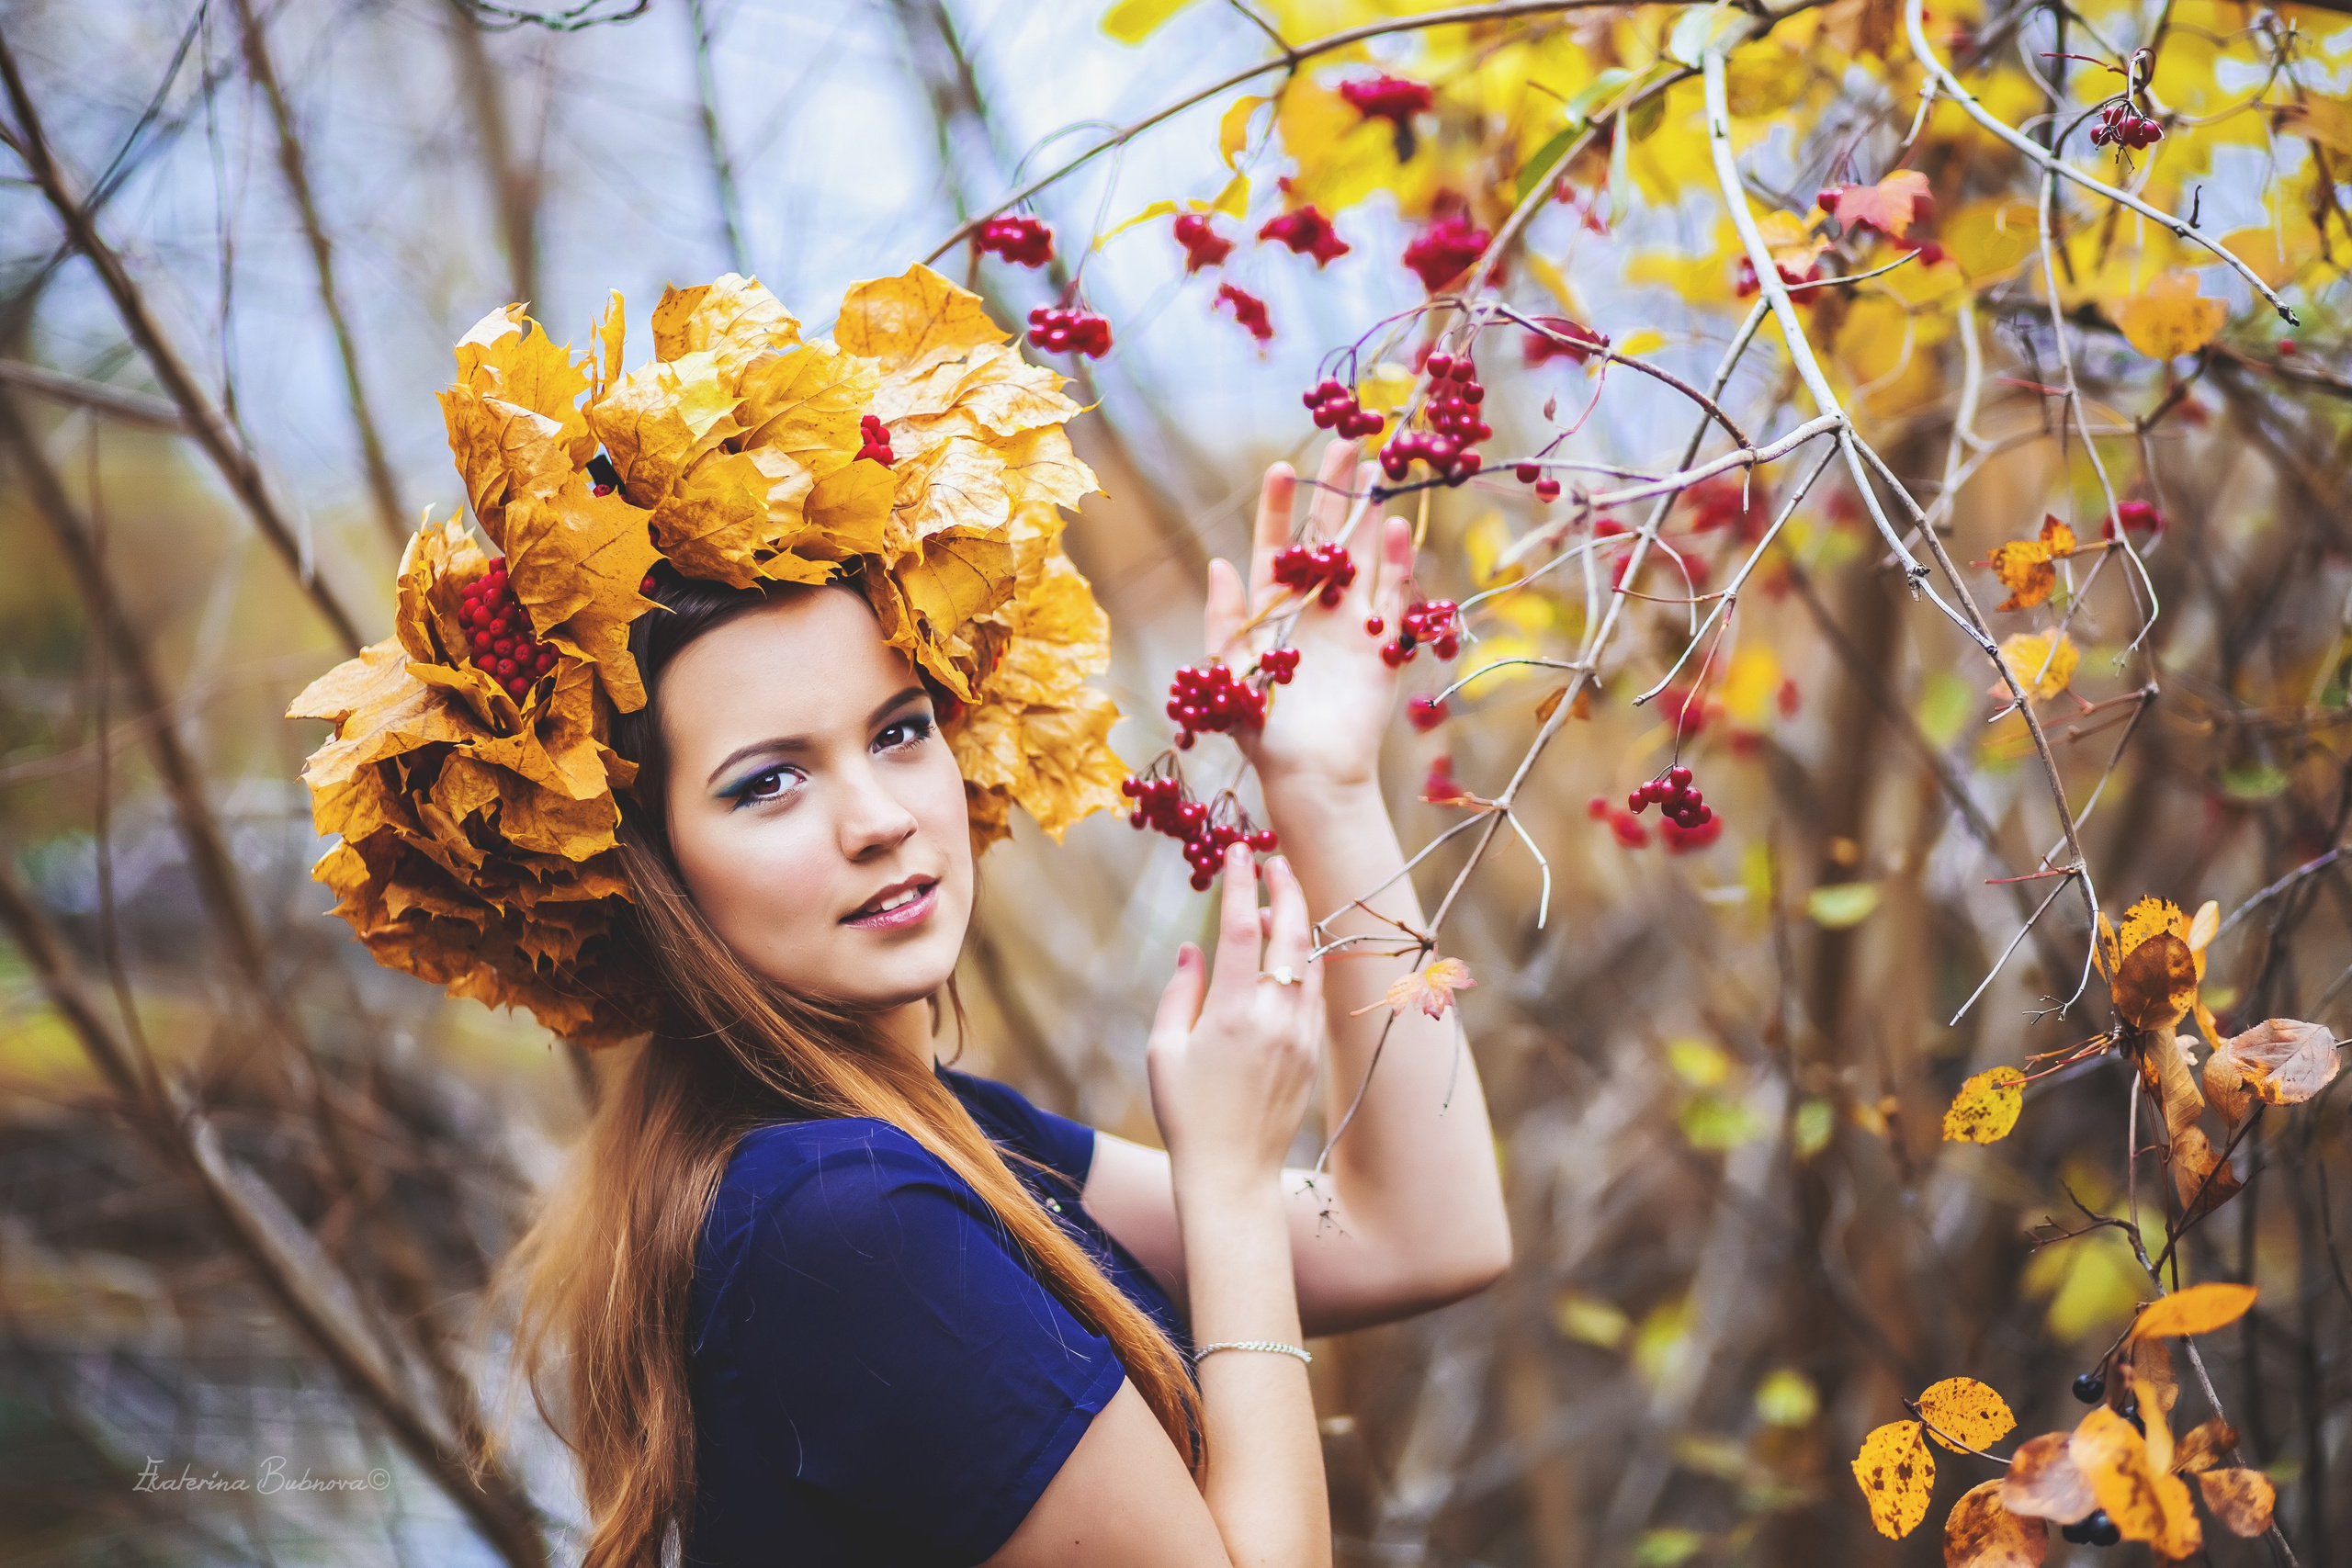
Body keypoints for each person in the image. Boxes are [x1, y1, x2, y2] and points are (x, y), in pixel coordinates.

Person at [291, 271, 1510, 1568]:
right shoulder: (842, 1222)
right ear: (644, 871)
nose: (878, 817)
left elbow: (1424, 1237)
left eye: (899, 730)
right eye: (768, 783)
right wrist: (1221, 1176)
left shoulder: (925, 1137)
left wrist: (1325, 792)